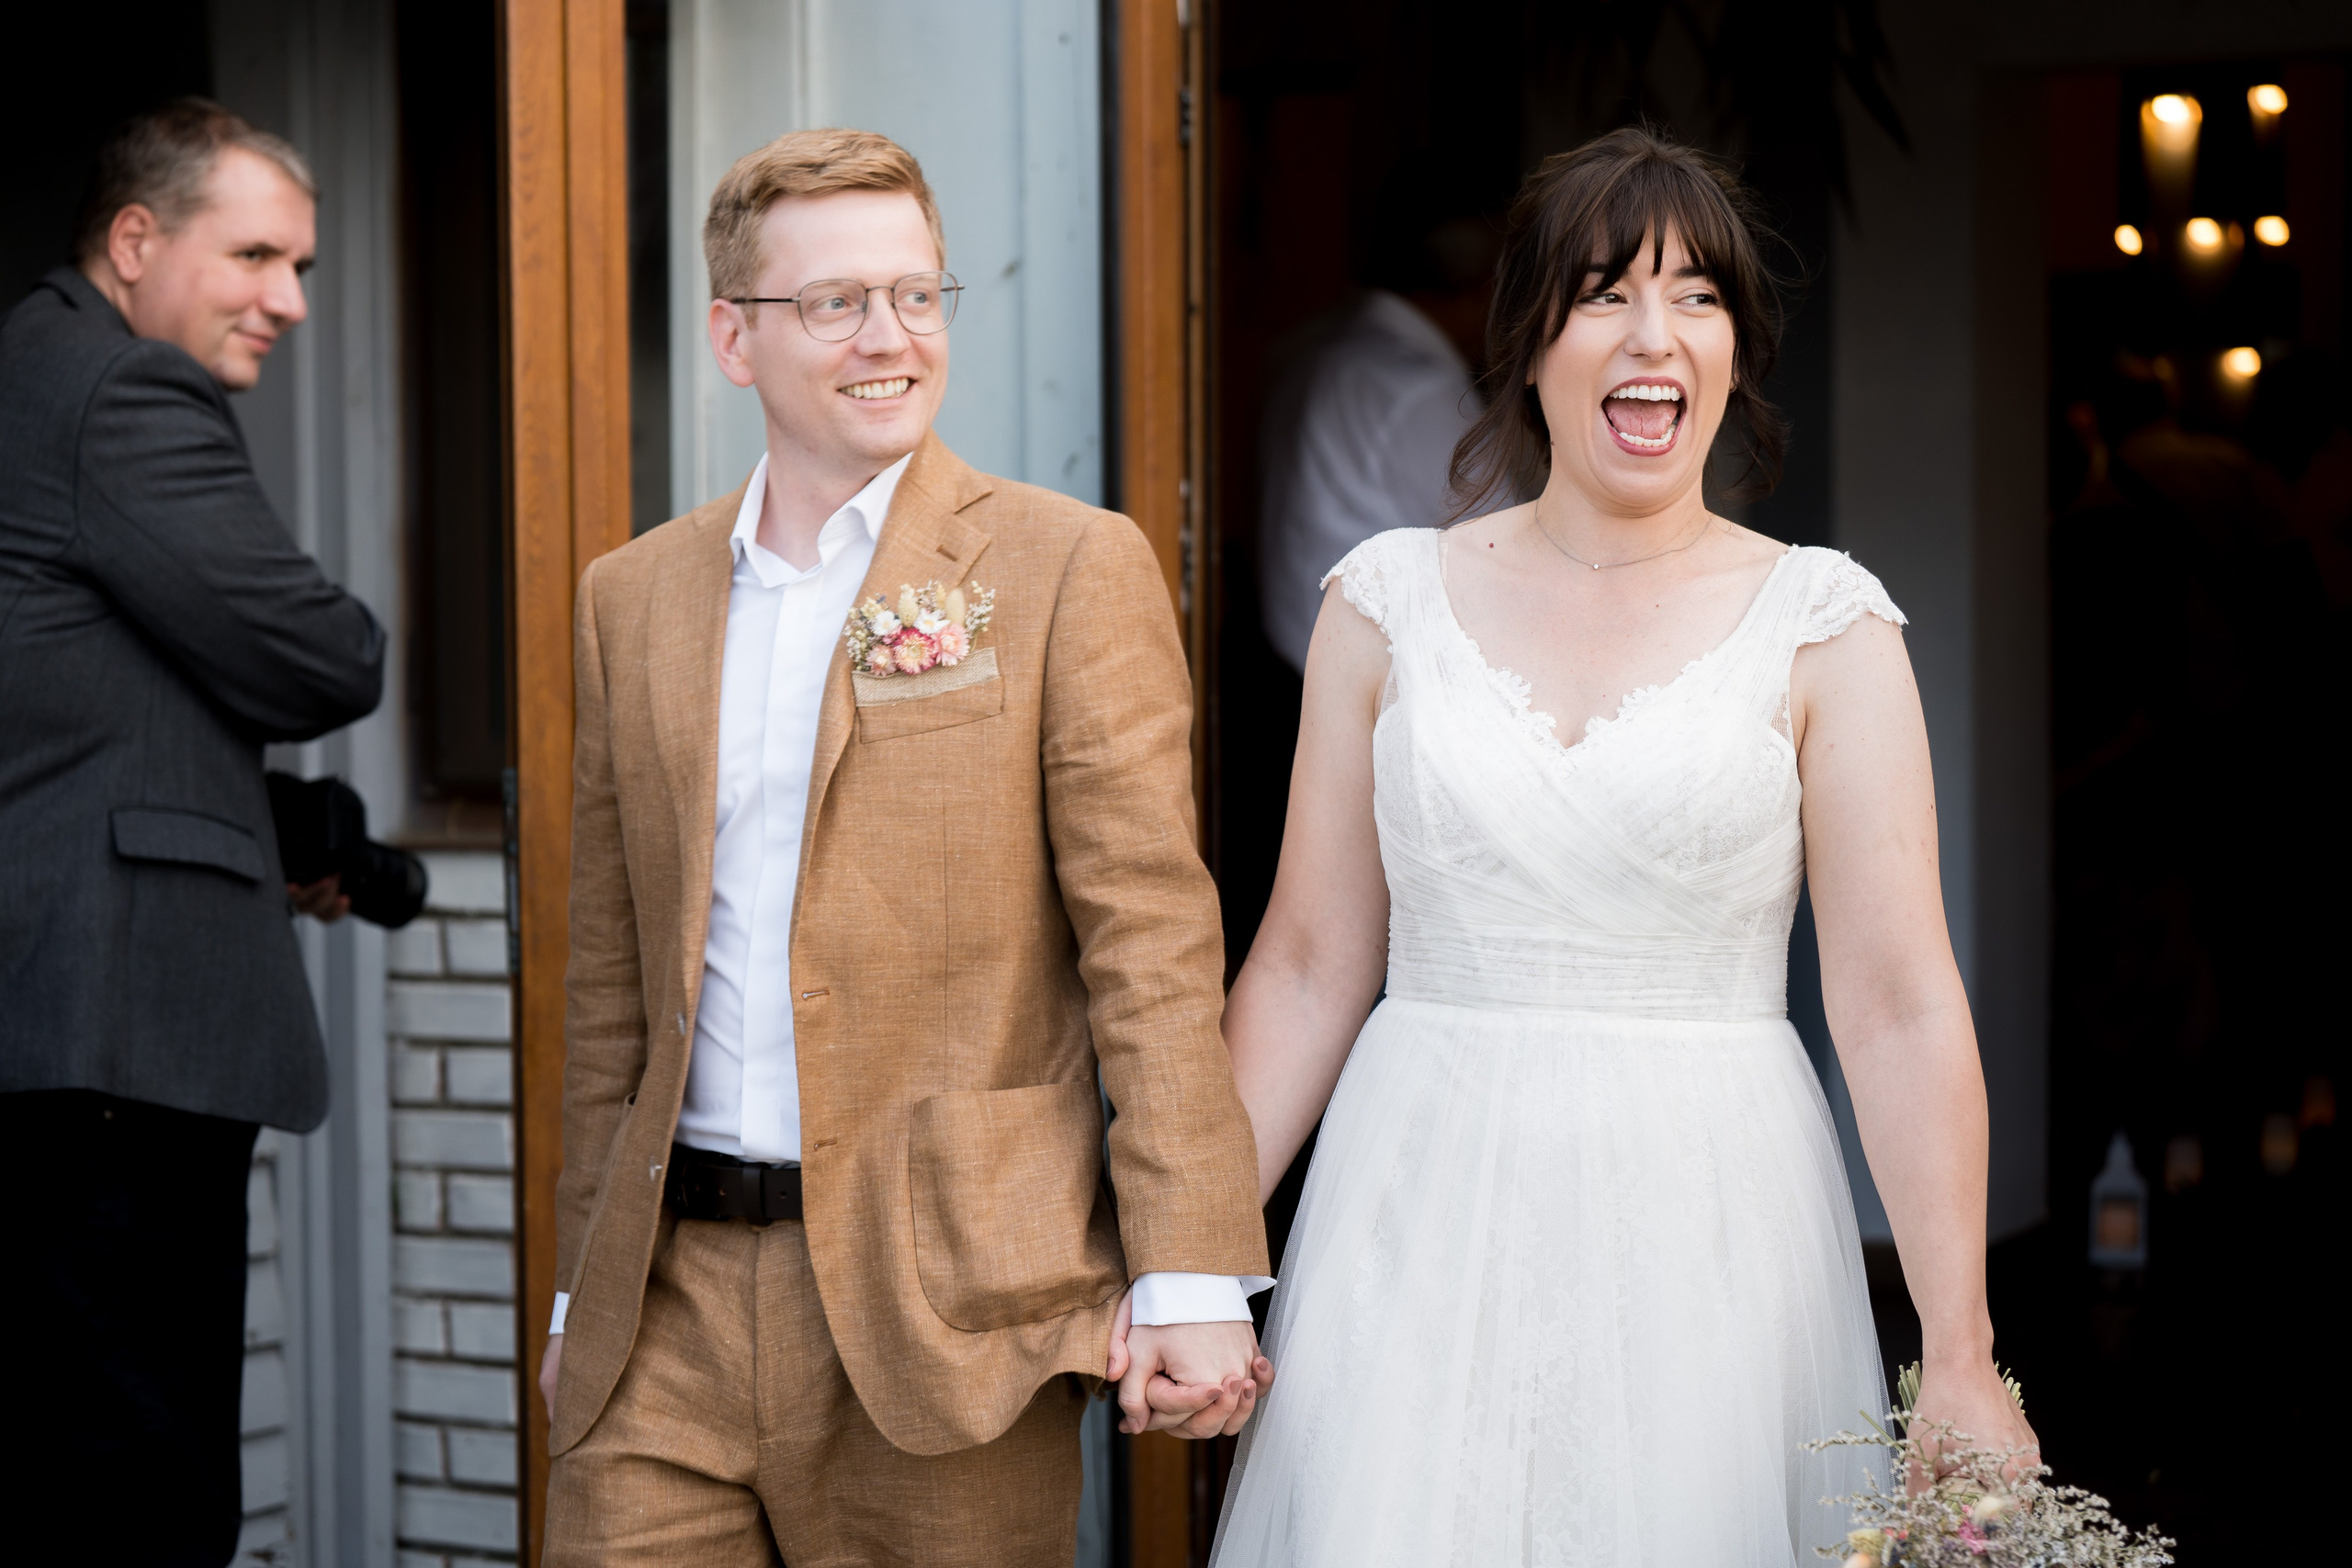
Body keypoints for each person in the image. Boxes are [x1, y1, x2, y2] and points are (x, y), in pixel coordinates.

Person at [1209, 127, 2038, 1564]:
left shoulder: (1826, 624)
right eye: (1604, 291)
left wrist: (1959, 1351)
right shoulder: (1385, 601)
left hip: (1712, 1227)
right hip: (1414, 1220)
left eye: (1699, 296)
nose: (1654, 334)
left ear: (1735, 351)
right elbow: (1302, 962)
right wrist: (1190, 1256)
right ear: (1527, 337)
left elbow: (1898, 1002)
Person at [538, 128, 1273, 1564]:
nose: (891, 337)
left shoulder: (1069, 565)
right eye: (836, 304)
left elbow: (1150, 942)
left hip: (944, 1315)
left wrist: (1192, 1266)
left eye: (918, 294)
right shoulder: (631, 597)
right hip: (665, 1311)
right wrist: (582, 1290)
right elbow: (614, 988)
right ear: (732, 337)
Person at [0, 99, 386, 1565]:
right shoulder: (120, 393)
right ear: (136, 240)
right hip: (110, 1044)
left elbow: (76, 705)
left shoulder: (32, 371)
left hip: (59, 1034)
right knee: (137, 1490)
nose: (289, 298)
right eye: (258, 256)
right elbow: (322, 656)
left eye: (300, 265)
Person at [1257, 213, 1497, 673]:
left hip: (1284, 658)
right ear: (1477, 291)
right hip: (1364, 683)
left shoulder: (1300, 349)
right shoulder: (1423, 390)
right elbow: (1501, 542)